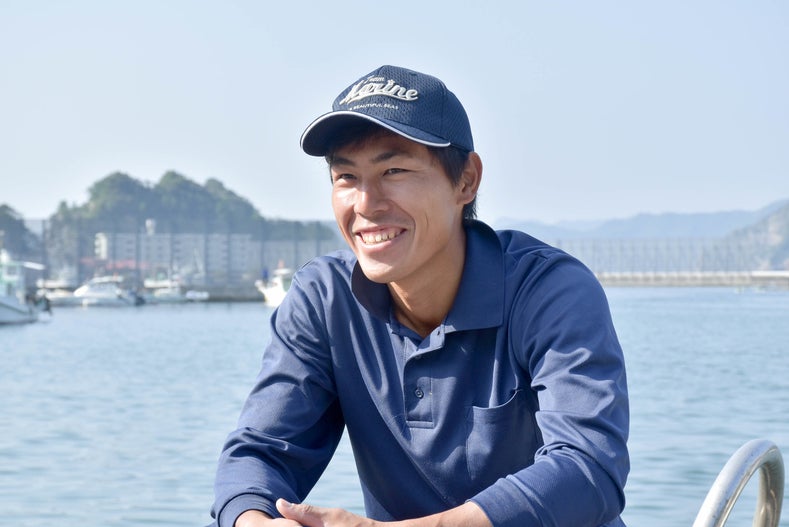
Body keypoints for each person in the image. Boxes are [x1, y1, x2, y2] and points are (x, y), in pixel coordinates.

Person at [210, 65, 629, 527]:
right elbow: (261, 452)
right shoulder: (324, 298)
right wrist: (255, 519)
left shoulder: (549, 291)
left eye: (394, 170)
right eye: (345, 176)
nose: (366, 204)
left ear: (466, 181)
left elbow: (588, 467)